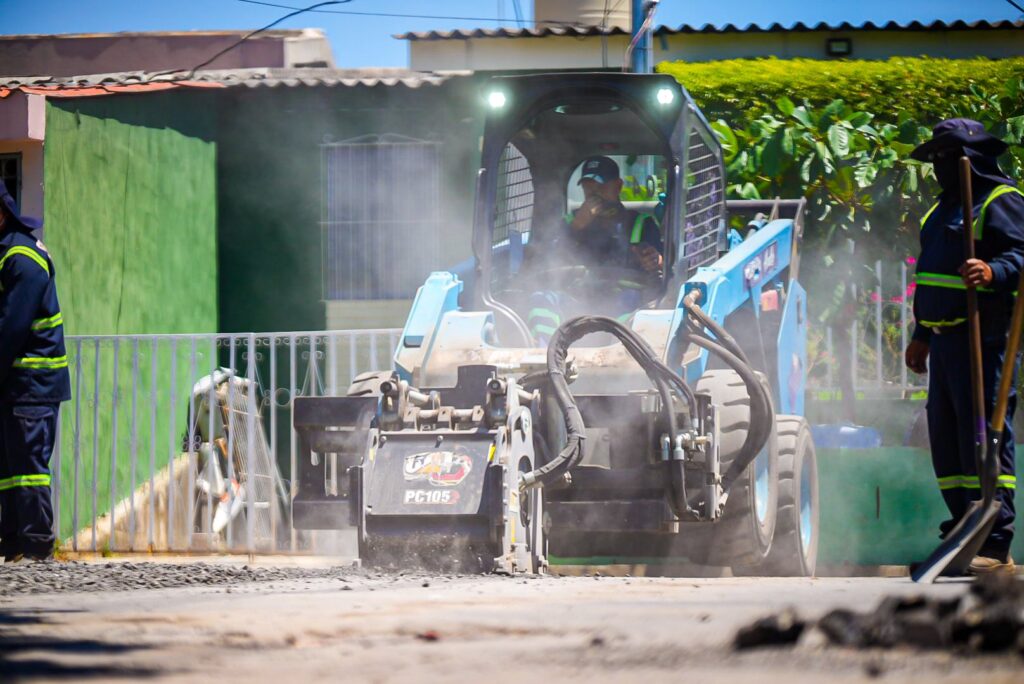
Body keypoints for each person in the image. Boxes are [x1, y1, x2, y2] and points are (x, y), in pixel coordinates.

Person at [904, 118, 1024, 574]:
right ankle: (961, 532)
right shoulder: (940, 211)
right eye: (934, 159)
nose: (937, 167)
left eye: (944, 159)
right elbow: (929, 276)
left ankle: (994, 543)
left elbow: (1021, 253)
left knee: (985, 438)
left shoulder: (1001, 200)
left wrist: (994, 272)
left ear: (968, 161)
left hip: (985, 339)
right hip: (946, 342)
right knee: (948, 442)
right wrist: (920, 335)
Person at [0, 183, 70, 562]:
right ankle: (13, 545)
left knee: (27, 467)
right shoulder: (9, 253)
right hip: (17, 384)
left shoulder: (21, 259)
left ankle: (37, 547)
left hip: (32, 384)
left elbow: (10, 329)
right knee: (10, 468)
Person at [526, 156, 663, 342]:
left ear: (618, 186)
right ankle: (546, 358)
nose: (594, 193)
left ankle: (617, 358)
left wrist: (654, 261)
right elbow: (545, 259)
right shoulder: (570, 222)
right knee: (541, 299)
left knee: (630, 299)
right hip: (576, 298)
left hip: (624, 301)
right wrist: (577, 226)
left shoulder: (642, 223)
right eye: (588, 187)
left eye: (601, 187)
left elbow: (660, 261)